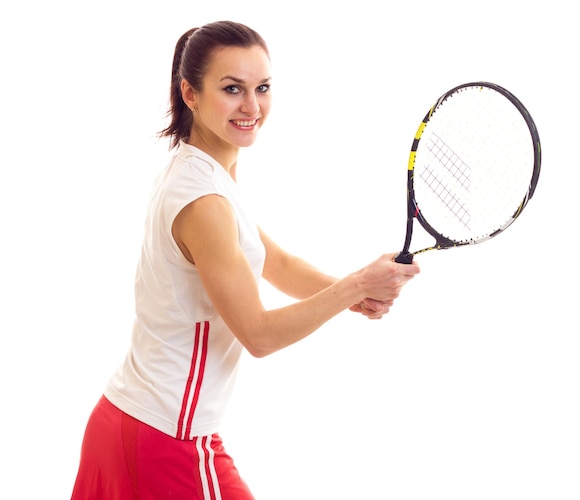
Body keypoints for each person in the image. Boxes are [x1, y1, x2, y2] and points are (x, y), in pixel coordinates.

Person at [70, 20, 420, 500]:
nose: (252, 107)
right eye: (232, 89)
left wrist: (350, 296)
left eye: (263, 88)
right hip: (168, 437)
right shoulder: (203, 202)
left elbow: (274, 262)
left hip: (127, 420)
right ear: (190, 94)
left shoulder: (203, 172)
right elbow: (257, 334)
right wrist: (357, 286)